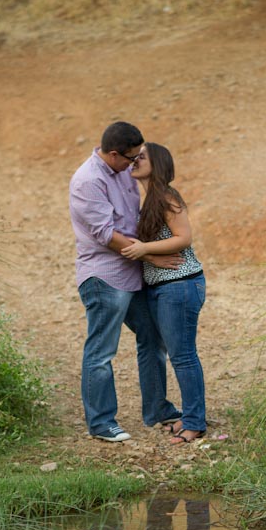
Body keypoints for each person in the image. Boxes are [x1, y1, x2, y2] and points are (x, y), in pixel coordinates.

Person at [69, 122, 182, 442]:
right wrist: (150, 256)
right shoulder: (87, 181)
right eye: (131, 159)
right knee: (102, 350)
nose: (135, 164)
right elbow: (106, 235)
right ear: (115, 154)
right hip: (105, 276)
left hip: (133, 274)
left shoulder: (122, 172)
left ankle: (157, 410)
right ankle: (102, 422)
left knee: (153, 336)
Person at [121, 143, 207, 445]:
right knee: (172, 352)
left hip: (180, 285)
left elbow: (184, 238)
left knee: (183, 356)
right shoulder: (148, 200)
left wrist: (144, 248)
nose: (134, 160)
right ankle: (178, 414)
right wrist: (148, 255)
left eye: (141, 157)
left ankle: (195, 423)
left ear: (155, 164)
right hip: (161, 288)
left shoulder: (168, 197)